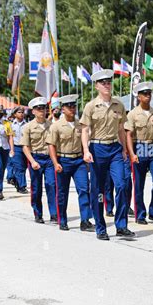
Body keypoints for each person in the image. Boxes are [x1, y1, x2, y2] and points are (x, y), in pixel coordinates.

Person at [80, 69, 135, 240]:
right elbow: (85, 130)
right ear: (96, 86)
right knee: (98, 190)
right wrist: (86, 150)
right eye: (103, 83)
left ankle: (121, 225)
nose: (106, 85)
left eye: (109, 82)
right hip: (97, 149)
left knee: (122, 185)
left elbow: (121, 129)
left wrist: (125, 149)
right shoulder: (90, 106)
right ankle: (100, 227)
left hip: (115, 150)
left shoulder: (119, 105)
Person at [47, 94, 94, 231]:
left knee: (84, 189)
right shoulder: (56, 126)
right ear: (62, 109)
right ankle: (62, 220)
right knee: (62, 192)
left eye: (74, 106)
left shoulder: (81, 124)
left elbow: (85, 142)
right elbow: (51, 145)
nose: (72, 109)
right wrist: (55, 163)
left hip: (79, 161)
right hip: (63, 160)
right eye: (69, 106)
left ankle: (85, 220)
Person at [125, 81, 153, 225]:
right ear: (138, 97)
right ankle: (140, 214)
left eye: (149, 93)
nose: (147, 96)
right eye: (144, 94)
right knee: (139, 183)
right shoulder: (132, 114)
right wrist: (131, 154)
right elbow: (128, 135)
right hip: (139, 147)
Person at [20, 97, 58, 225]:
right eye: (39, 109)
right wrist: (32, 161)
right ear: (33, 111)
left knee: (52, 185)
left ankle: (54, 214)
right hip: (35, 158)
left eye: (44, 108)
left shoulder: (51, 126)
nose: (42, 111)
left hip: (49, 159)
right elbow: (25, 147)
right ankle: (38, 213)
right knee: (36, 188)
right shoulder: (28, 127)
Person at [10, 106, 28, 193]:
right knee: (19, 167)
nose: (21, 114)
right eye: (19, 112)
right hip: (16, 147)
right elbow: (10, 138)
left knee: (24, 167)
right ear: (14, 114)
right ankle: (22, 186)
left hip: (26, 148)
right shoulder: (11, 125)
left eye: (22, 112)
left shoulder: (27, 124)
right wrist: (12, 149)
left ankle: (16, 179)